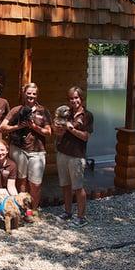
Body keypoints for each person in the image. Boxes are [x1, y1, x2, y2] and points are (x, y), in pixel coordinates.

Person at [0, 82, 51, 221]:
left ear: (37, 95)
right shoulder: (16, 110)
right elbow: (2, 127)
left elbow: (48, 132)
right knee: (21, 181)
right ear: (24, 94)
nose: (31, 96)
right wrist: (17, 126)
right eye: (29, 93)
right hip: (19, 149)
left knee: (35, 183)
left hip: (37, 151)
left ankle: (32, 211)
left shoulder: (43, 111)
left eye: (34, 94)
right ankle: (22, 210)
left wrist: (34, 127)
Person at [53, 86, 94, 228]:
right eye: (71, 98)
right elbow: (58, 133)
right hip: (63, 152)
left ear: (81, 99)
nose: (74, 101)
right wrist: (58, 128)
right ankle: (68, 212)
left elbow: (85, 137)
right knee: (65, 185)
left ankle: (81, 217)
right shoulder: (65, 113)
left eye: (76, 98)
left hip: (77, 156)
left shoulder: (87, 115)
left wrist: (71, 128)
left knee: (78, 187)